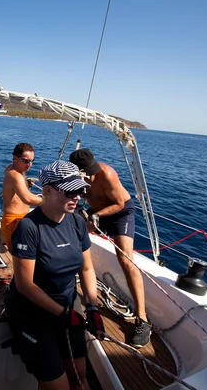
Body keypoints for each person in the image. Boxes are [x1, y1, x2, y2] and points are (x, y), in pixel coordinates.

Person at [6, 160, 105, 390]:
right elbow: (25, 286)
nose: (77, 197)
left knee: (80, 376)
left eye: (79, 191)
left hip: (67, 310)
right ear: (47, 191)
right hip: (32, 314)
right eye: (70, 191)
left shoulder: (78, 222)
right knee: (58, 386)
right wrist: (63, 314)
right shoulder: (28, 227)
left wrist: (93, 307)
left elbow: (87, 269)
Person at [69, 148, 151, 348]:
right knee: (71, 240)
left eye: (92, 169)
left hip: (120, 211)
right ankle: (69, 288)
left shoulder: (107, 174)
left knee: (125, 259)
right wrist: (84, 212)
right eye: (87, 171)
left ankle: (143, 319)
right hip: (95, 211)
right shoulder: (74, 178)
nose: (92, 174)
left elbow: (119, 203)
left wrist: (97, 216)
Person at [1, 143, 43, 251]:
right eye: (26, 161)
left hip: (20, 219)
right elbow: (27, 199)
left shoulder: (14, 169)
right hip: (14, 221)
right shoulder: (15, 175)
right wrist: (49, 200)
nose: (29, 164)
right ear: (15, 158)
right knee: (20, 256)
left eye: (31, 161)